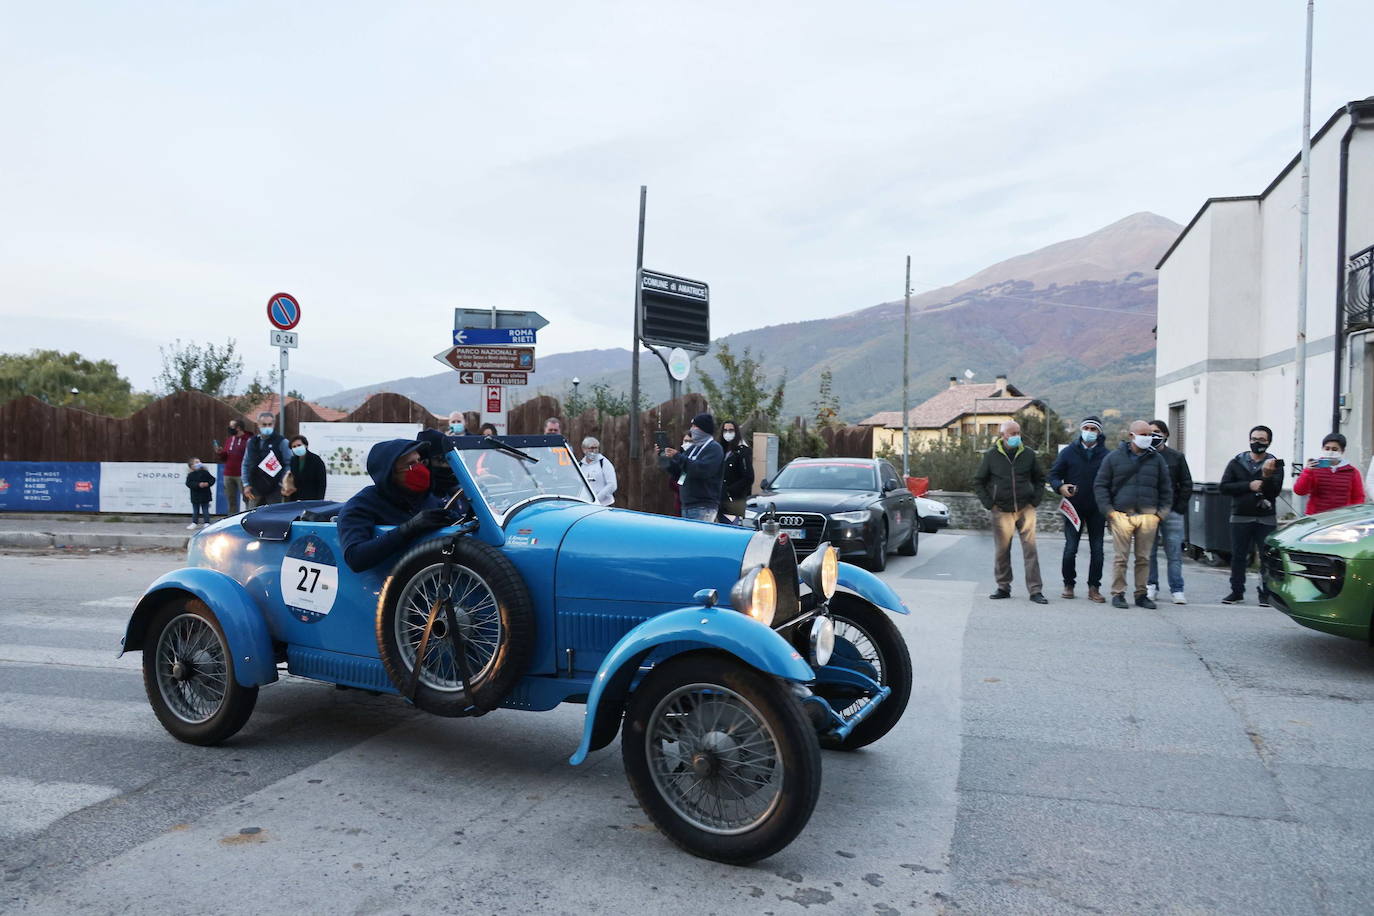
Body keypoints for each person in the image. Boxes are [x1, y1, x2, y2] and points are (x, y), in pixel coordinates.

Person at [337, 439, 455, 572]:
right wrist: (410, 528)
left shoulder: (430, 499)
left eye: (420, 462)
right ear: (390, 473)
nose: (420, 468)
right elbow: (355, 557)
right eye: (411, 465)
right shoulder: (362, 505)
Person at [1094, 420, 1173, 609]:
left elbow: (1166, 489)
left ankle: (1141, 594)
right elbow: (1100, 485)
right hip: (1121, 515)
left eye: (1149, 435)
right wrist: (1110, 512)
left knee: (1144, 558)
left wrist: (1160, 515)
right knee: (1121, 558)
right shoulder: (1114, 458)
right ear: (1131, 435)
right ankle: (1118, 593)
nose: (1147, 438)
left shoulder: (1157, 460)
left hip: (1148, 517)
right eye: (1143, 434)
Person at [972, 420, 1048, 604]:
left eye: (1018, 433)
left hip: (1026, 508)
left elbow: (1040, 479)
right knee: (1002, 551)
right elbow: (978, 481)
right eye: (1012, 433)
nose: (1016, 437)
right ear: (1003, 436)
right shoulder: (991, 456)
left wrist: (1035, 500)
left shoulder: (1028, 454)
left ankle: (1035, 590)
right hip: (1001, 510)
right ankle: (1003, 587)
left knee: (1030, 550)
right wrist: (990, 504)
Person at [1219, 425, 1285, 605]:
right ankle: (1236, 591)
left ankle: (1266, 593)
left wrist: (1267, 477)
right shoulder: (1236, 462)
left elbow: (1274, 491)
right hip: (1240, 515)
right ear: (1249, 440)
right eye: (1254, 439)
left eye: (1262, 440)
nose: (1257, 443)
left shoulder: (1275, 464)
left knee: (1267, 557)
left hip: (1265, 517)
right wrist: (1248, 486)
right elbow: (1224, 487)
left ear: (1269, 442)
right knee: (1238, 556)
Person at [1048, 416, 1109, 602]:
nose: (1089, 432)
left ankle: (1094, 587)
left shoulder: (1107, 455)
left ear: (1099, 432)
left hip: (1097, 509)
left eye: (1093, 429)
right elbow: (1053, 475)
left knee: (1097, 550)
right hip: (1073, 508)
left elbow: (1112, 480)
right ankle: (1068, 584)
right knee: (1070, 549)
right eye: (1087, 428)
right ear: (1081, 430)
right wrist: (1060, 487)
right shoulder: (1068, 452)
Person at [1146, 419, 1194, 605]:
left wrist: (1179, 507)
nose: (1153, 435)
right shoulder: (1144, 456)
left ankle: (1177, 589)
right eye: (1149, 432)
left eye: (1157, 432)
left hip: (1172, 512)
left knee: (1173, 552)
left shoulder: (1176, 457)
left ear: (1165, 434)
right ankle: (1151, 586)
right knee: (1148, 552)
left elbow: (1187, 483)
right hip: (1148, 512)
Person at [661, 413, 725, 522]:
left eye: (695, 426)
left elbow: (702, 469)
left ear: (704, 428)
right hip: (686, 505)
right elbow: (679, 473)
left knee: (699, 538)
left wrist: (677, 456)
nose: (692, 430)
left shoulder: (714, 448)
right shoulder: (693, 448)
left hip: (703, 506)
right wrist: (664, 457)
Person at [1294, 433, 1365, 514]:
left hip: (1341, 517)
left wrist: (1354, 514)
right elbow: (1299, 491)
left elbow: (1358, 497)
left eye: (1335, 449)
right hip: (1316, 516)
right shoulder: (1314, 468)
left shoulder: (1352, 472)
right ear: (1322, 448)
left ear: (1342, 451)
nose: (1330, 452)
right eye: (1327, 448)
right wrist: (1307, 472)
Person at [242, 412, 291, 508]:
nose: (267, 427)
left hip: (275, 489)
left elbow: (288, 464)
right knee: (252, 517)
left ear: (274, 424)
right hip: (254, 488)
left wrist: (282, 483)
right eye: (264, 424)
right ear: (258, 424)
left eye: (270, 424)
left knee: (274, 517)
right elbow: (245, 464)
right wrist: (246, 484)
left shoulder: (282, 442)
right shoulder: (251, 442)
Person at [719, 419, 754, 520]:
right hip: (719, 499)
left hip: (735, 500)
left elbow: (748, 477)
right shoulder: (720, 450)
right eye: (725, 430)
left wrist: (729, 491)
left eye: (731, 430)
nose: (728, 433)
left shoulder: (742, 451)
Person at [215, 419, 251, 514]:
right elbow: (225, 457)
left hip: (242, 474)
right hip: (228, 474)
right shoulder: (229, 439)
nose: (229, 428)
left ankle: (250, 518)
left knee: (247, 498)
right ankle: (231, 518)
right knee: (230, 499)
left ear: (238, 428)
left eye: (231, 426)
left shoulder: (249, 440)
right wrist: (220, 453)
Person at [285, 435, 328, 502]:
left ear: (305, 445)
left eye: (299, 445)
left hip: (312, 499)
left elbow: (322, 483)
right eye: (294, 446)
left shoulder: (316, 460)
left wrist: (319, 501)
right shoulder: (293, 460)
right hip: (296, 499)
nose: (297, 448)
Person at [580, 436, 617, 506]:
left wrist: (596, 499)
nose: (594, 451)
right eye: (591, 448)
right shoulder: (580, 465)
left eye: (596, 448)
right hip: (585, 505)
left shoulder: (604, 463)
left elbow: (612, 485)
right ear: (584, 449)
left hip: (604, 504)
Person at [184, 458, 214, 529]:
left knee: (205, 509)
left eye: (199, 462)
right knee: (195, 510)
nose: (199, 463)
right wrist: (198, 485)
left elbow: (212, 479)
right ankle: (194, 522)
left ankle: (207, 522)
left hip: (205, 494)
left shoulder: (205, 472)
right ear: (192, 466)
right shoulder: (190, 475)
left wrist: (207, 483)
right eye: (196, 462)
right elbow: (188, 483)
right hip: (195, 495)